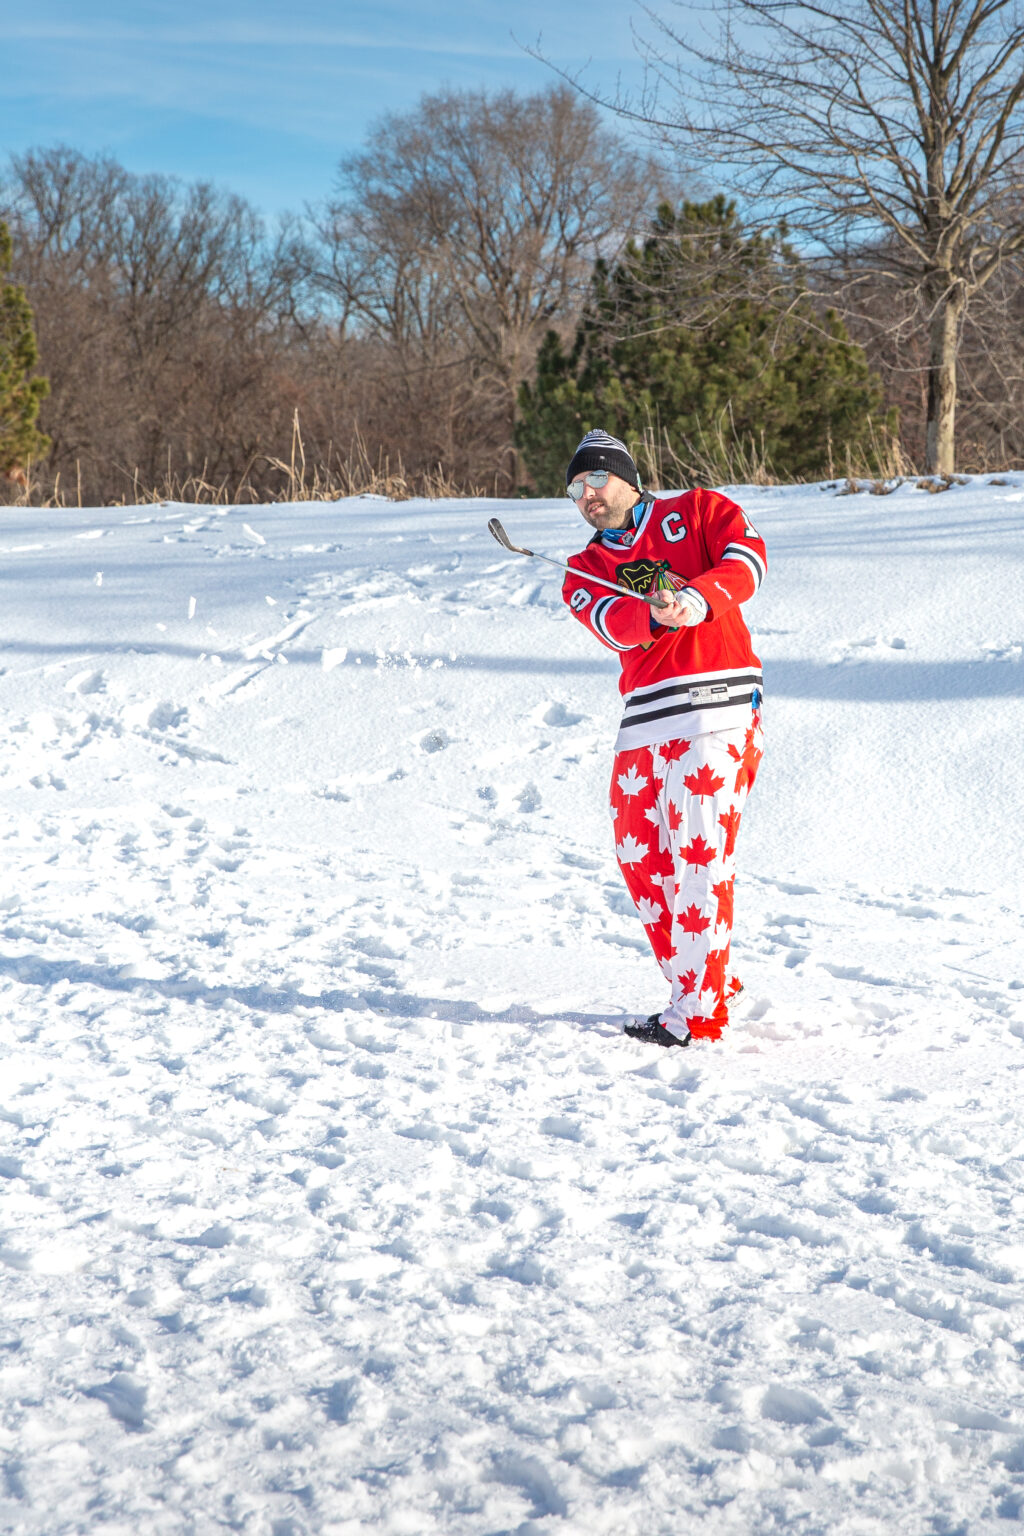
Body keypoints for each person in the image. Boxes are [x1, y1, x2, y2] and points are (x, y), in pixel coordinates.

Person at [560, 428, 766, 1048]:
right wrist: (652, 612)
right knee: (640, 856)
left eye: (595, 479)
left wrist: (698, 600)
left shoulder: (698, 511)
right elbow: (607, 621)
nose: (586, 495)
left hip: (717, 706)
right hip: (646, 716)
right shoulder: (585, 566)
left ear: (627, 476)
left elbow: (749, 560)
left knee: (697, 855)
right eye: (575, 488)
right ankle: (705, 983)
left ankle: (697, 1017)